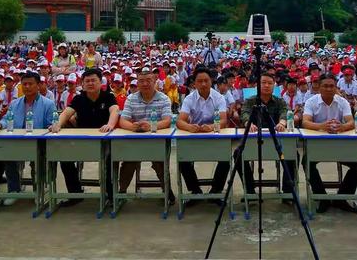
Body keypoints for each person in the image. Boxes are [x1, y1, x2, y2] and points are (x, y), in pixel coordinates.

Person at [49, 68, 119, 207]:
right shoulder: (79, 98)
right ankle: (75, 194)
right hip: (82, 141)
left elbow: (115, 110)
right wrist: (58, 124)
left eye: (94, 80)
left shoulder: (108, 96)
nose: (90, 83)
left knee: (110, 159)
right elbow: (66, 113)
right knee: (64, 158)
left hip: (104, 140)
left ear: (101, 82)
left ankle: (111, 195)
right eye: (87, 81)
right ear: (83, 83)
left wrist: (110, 125)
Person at [0, 72, 55, 205]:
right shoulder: (15, 103)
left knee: (39, 161)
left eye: (31, 84)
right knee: (9, 158)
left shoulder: (48, 104)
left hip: (38, 143)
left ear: (38, 85)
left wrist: (52, 127)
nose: (27, 87)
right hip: (16, 141)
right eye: (24, 84)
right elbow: (7, 119)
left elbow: (51, 123)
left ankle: (39, 191)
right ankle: (14, 190)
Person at [302, 74, 357, 213]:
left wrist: (343, 127)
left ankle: (342, 198)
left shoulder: (342, 102)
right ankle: (322, 198)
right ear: (319, 88)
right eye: (325, 86)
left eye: (331, 86)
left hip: (340, 144)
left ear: (336, 88)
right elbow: (305, 122)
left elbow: (351, 122)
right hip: (318, 144)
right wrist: (321, 126)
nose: (328, 89)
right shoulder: (311, 101)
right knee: (307, 162)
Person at [117, 68, 175, 204]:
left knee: (160, 163)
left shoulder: (164, 98)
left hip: (156, 142)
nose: (145, 84)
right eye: (141, 81)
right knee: (128, 162)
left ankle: (167, 191)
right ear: (137, 83)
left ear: (155, 81)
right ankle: (121, 192)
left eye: (149, 80)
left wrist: (151, 126)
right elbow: (123, 121)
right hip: (135, 141)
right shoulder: (131, 98)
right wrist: (133, 127)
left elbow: (167, 120)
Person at [176, 67, 229, 204]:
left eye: (206, 81)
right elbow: (180, 121)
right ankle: (195, 191)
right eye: (200, 81)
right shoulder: (189, 98)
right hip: (195, 137)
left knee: (227, 158)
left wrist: (212, 127)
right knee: (182, 159)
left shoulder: (219, 98)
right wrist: (189, 127)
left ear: (211, 81)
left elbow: (223, 120)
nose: (204, 84)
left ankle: (216, 191)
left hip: (215, 136)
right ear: (194, 83)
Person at [240, 73, 295, 202]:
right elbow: (244, 113)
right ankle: (250, 192)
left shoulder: (279, 100)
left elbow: (285, 111)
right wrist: (248, 123)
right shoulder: (251, 100)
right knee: (238, 154)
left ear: (274, 86)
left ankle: (287, 192)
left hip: (276, 142)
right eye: (263, 82)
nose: (266, 86)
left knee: (293, 155)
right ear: (257, 85)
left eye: (269, 83)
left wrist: (282, 122)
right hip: (254, 142)